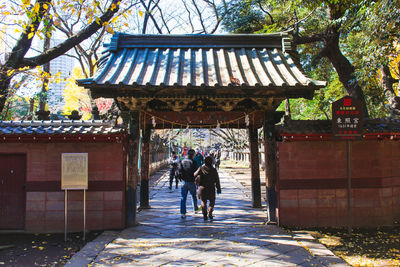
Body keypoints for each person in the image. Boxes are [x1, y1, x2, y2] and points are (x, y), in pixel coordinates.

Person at [194, 156, 221, 221]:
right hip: (211, 188)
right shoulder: (214, 170)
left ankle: (204, 214)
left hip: (202, 188)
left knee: (203, 201)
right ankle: (210, 211)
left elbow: (194, 175)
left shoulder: (201, 168)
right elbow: (217, 180)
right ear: (212, 162)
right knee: (212, 201)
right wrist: (218, 188)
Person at [178, 149, 199, 218]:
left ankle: (183, 213)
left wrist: (180, 179)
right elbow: (196, 173)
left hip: (183, 182)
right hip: (191, 181)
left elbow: (178, 171)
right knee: (193, 196)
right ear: (193, 155)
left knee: (183, 198)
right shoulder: (194, 162)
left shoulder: (182, 161)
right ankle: (195, 209)